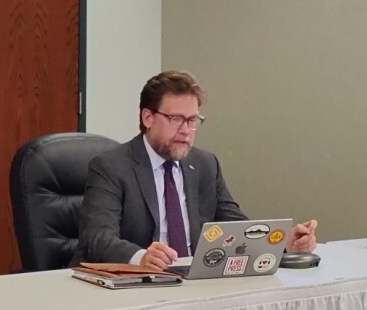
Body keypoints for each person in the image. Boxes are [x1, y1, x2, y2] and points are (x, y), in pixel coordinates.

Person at [73, 70, 318, 270]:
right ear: (148, 118)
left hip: (194, 283)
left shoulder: (205, 164)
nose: (185, 130)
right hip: (136, 286)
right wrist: (140, 257)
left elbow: (237, 228)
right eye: (176, 119)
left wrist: (281, 243)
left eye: (192, 121)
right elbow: (97, 238)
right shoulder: (111, 167)